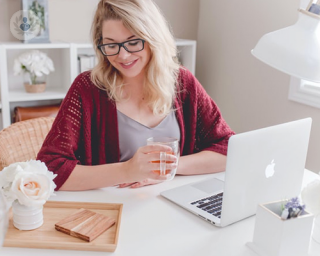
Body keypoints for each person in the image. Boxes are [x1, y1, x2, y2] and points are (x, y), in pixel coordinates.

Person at [37, 0, 235, 191]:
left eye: (133, 42)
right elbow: (49, 168)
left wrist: (167, 167)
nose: (123, 56)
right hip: (110, 212)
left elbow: (230, 149)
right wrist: (127, 170)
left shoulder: (183, 82)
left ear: (153, 38)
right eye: (111, 45)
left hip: (172, 206)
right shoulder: (87, 88)